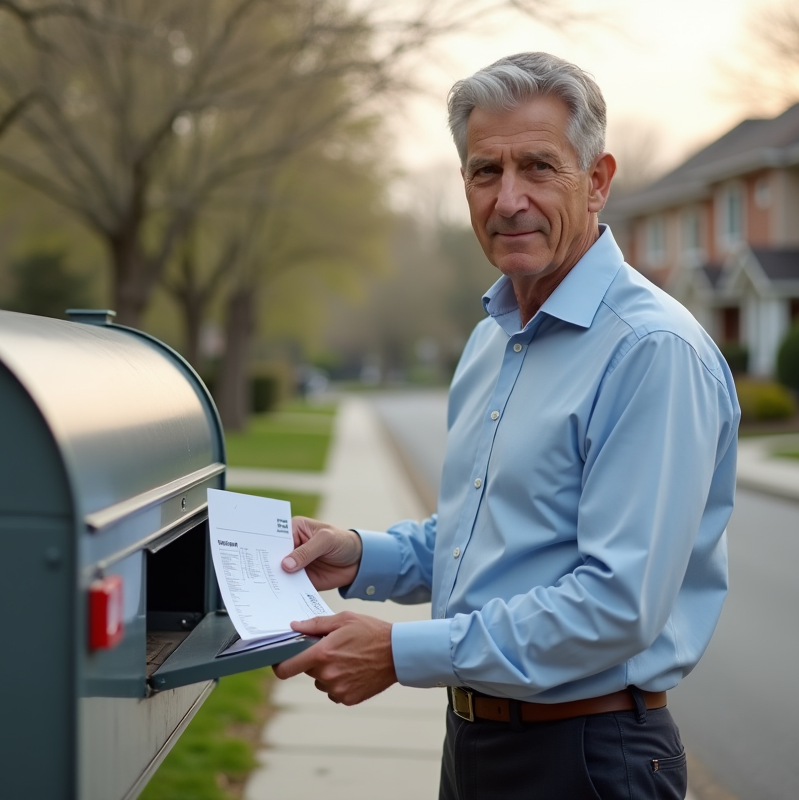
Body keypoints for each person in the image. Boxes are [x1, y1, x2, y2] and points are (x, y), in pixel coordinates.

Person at [273, 52, 740, 800]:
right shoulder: (493, 336)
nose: (509, 198)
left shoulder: (652, 352)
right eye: (485, 171)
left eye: (538, 167)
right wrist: (359, 555)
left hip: (587, 757)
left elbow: (616, 605)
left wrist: (401, 652)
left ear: (597, 180)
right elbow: (482, 536)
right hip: (476, 744)